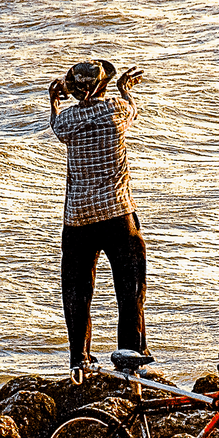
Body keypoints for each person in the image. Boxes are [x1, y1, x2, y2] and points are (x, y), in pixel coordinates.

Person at [49, 59, 148, 382]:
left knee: (77, 291)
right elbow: (132, 109)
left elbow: (56, 124)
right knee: (130, 287)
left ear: (74, 91)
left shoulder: (66, 122)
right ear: (106, 86)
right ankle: (131, 357)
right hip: (118, 213)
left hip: (78, 219)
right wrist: (125, 90)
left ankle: (79, 359)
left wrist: (54, 102)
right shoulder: (117, 111)